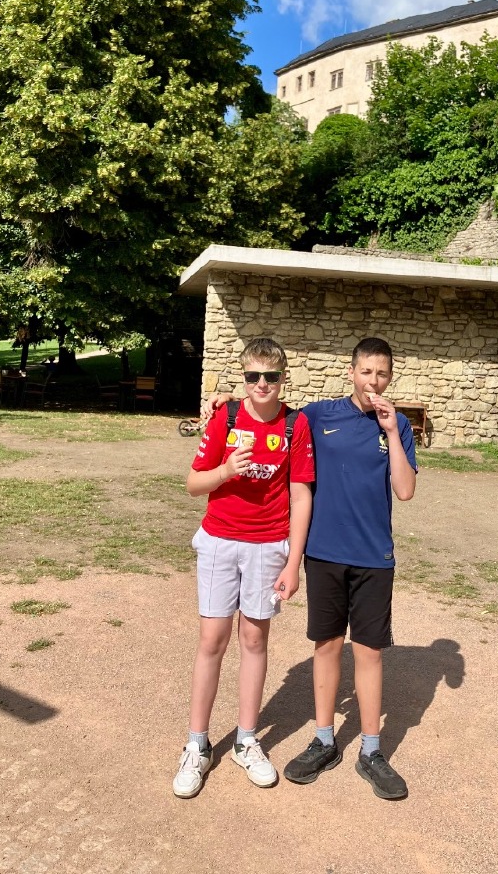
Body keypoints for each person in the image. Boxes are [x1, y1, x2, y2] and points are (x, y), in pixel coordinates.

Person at [208, 336, 417, 800]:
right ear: (352, 372)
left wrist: (389, 431)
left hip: (373, 556)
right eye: (366, 371)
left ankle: (371, 750)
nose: (373, 381)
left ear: (390, 377)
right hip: (323, 553)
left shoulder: (398, 424)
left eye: (382, 373)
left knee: (369, 652)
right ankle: (324, 740)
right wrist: (225, 401)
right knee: (327, 646)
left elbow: (405, 491)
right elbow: (268, 407)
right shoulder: (318, 416)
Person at [173, 338, 314, 799]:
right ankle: (197, 744)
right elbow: (193, 484)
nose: (261, 384)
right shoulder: (226, 418)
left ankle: (246, 740)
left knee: (254, 640)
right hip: (219, 541)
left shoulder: (295, 425)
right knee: (211, 641)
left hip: (268, 546)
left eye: (270, 377)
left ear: (283, 378)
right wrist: (226, 470)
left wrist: (293, 562)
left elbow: (301, 495)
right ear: (243, 377)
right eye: (253, 376)